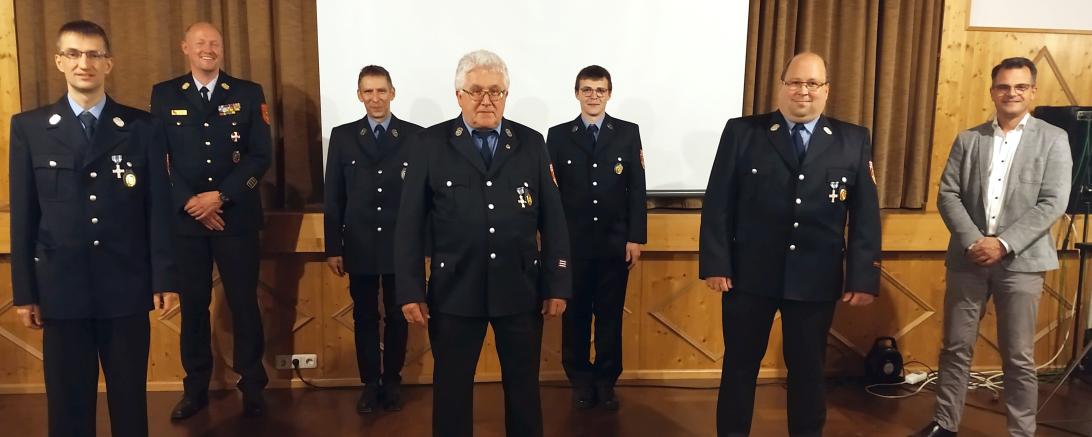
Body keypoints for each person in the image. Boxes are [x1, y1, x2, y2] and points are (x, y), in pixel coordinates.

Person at [698, 52, 882, 437]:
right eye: (795, 82)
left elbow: (865, 215)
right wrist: (716, 263)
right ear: (781, 87)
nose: (803, 91)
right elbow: (718, 202)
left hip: (816, 277)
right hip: (748, 275)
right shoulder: (743, 132)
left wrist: (862, 278)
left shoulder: (852, 140)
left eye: (812, 83)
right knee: (739, 367)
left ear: (826, 90)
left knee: (808, 371)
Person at [9, 20, 178, 437]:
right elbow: (24, 215)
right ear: (59, 61)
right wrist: (25, 291)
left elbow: (158, 209)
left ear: (108, 63)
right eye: (73, 53)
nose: (83, 63)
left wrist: (164, 278)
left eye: (93, 54)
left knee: (129, 402)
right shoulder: (30, 127)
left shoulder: (143, 128)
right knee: (67, 404)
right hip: (61, 287)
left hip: (125, 285)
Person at [394, 49, 572, 437]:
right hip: (455, 289)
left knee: (524, 390)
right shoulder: (430, 143)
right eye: (476, 91)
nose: (487, 100)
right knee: (452, 391)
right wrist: (409, 289)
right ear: (458, 94)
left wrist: (557, 283)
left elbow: (553, 220)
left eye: (496, 91)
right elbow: (408, 224)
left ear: (506, 94)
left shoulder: (530, 142)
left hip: (519, 288)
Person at [911, 57, 1072, 437]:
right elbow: (948, 194)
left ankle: (1021, 432)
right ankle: (945, 424)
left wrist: (1003, 243)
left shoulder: (1053, 139)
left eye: (1020, 87)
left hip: (1022, 262)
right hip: (968, 259)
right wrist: (974, 241)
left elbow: (1053, 202)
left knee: (1018, 355)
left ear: (1032, 92)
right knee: (955, 347)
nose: (1011, 93)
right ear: (993, 91)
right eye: (1004, 86)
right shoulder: (969, 139)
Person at [150, 21, 273, 419]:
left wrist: (219, 197)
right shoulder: (165, 94)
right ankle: (196, 388)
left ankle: (252, 385)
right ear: (185, 47)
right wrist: (190, 202)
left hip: (235, 217)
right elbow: (158, 158)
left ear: (222, 48)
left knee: (244, 305)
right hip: (186, 222)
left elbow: (260, 155)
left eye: (215, 42)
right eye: (200, 42)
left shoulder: (247, 92)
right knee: (194, 308)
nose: (208, 48)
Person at [546, 65, 647, 410]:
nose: (593, 96)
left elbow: (636, 189)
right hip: (573, 245)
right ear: (577, 93)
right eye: (587, 90)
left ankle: (605, 382)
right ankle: (580, 381)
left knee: (609, 317)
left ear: (609, 94)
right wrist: (554, 242)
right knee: (574, 316)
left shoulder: (627, 133)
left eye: (600, 90)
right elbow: (551, 195)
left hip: (613, 244)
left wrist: (635, 238)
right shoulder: (558, 135)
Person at [324, 65, 423, 413]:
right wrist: (333, 247)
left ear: (392, 93)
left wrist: (422, 245)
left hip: (400, 245)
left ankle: (392, 380)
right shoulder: (343, 136)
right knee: (364, 316)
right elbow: (334, 197)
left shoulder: (415, 137)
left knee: (398, 314)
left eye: (381, 91)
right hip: (360, 243)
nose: (375, 98)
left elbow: (423, 197)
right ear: (359, 95)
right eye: (368, 91)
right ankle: (369, 383)